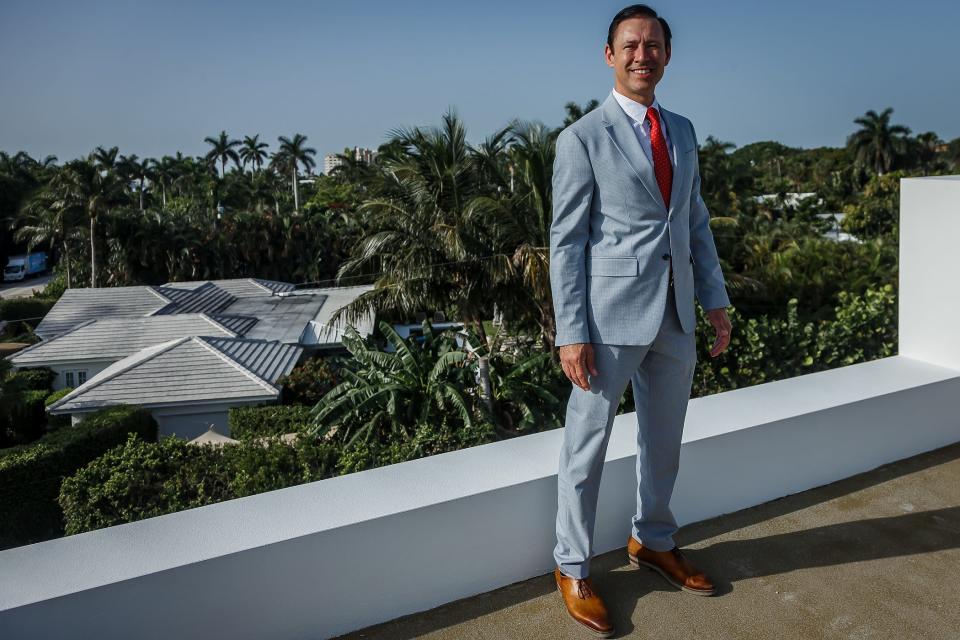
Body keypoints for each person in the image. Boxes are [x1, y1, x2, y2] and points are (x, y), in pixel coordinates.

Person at [549, 4, 733, 636]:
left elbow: (693, 222)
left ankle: (652, 539)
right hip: (606, 323)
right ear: (609, 54)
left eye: (653, 45)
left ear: (667, 55)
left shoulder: (680, 130)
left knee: (664, 439)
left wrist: (715, 298)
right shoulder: (581, 138)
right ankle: (571, 564)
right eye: (630, 45)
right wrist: (570, 331)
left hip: (677, 313)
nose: (641, 55)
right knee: (586, 447)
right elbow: (566, 243)